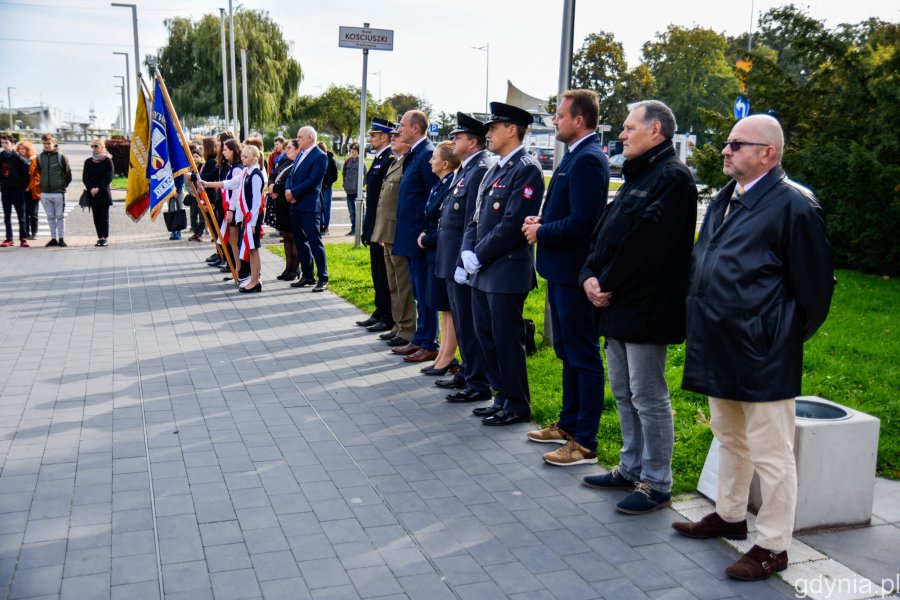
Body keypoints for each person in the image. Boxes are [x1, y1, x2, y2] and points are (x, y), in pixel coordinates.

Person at [672, 114, 834, 581]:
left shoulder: (794, 206)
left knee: (772, 452)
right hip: (719, 342)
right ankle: (729, 514)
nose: (726, 150)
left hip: (763, 351)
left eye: (737, 144)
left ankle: (773, 545)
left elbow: (816, 290)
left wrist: (779, 336)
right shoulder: (727, 197)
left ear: (769, 153)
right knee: (729, 437)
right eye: (727, 143)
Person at [577, 100, 697, 514]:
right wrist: (588, 275)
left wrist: (602, 282)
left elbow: (647, 245)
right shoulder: (639, 174)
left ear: (656, 131)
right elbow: (605, 234)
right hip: (616, 303)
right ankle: (630, 468)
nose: (622, 134)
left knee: (649, 396)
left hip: (647, 308)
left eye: (629, 128)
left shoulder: (673, 179)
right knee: (625, 392)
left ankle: (657, 482)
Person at [522, 90, 609, 465]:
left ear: (579, 120)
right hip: (561, 271)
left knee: (582, 356)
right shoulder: (576, 155)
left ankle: (585, 442)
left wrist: (543, 233)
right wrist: (544, 222)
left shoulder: (589, 158)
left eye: (559, 116)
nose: (554, 121)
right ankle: (569, 424)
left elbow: (585, 222)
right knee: (567, 353)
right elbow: (568, 213)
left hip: (575, 274)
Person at [458, 101, 545, 426]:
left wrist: (477, 254)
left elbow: (512, 223)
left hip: (506, 269)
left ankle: (517, 404)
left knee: (507, 340)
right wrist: (468, 250)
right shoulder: (494, 169)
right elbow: (477, 217)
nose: (488, 134)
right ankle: (501, 397)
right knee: (486, 335)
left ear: (512, 129)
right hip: (484, 270)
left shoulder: (527, 168)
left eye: (493, 128)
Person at [438, 113, 495, 401]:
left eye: (458, 137)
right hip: (451, 258)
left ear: (473, 143)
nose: (453, 140)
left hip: (462, 260)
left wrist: (463, 260)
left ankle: (477, 382)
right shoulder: (466, 169)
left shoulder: (479, 169)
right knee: (461, 321)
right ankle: (467, 372)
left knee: (469, 324)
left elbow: (472, 223)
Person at [391, 110, 440, 361]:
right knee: (419, 291)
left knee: (425, 291)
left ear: (416, 128)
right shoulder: (416, 153)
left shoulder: (427, 154)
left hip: (419, 236)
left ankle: (429, 342)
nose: (399, 130)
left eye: (403, 126)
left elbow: (434, 198)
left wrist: (426, 231)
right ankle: (420, 338)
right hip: (409, 234)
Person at [417, 141, 460, 372]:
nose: (430, 161)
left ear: (445, 163)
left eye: (434, 157)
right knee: (442, 307)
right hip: (435, 251)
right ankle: (443, 353)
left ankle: (448, 356)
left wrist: (427, 238)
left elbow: (446, 223)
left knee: (447, 307)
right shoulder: (439, 184)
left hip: (441, 250)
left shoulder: (450, 184)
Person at [370, 129, 415, 348]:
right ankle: (399, 325)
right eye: (393, 136)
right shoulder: (396, 162)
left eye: (397, 136)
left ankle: (406, 328)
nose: (394, 139)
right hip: (386, 231)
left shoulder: (407, 161)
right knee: (393, 282)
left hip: (397, 231)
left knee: (401, 281)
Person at [356, 118, 396, 333]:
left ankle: (388, 315)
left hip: (381, 225)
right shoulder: (379, 157)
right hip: (373, 223)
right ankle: (380, 310)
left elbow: (385, 200)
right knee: (376, 271)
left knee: (383, 272)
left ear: (384, 137)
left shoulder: (389, 158)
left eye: (373, 135)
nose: (370, 139)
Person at [286, 126, 329, 292]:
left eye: (300, 137)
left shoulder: (320, 156)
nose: (298, 140)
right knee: (300, 241)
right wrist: (288, 191)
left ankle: (323, 277)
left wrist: (294, 192)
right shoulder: (301, 154)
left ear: (310, 138)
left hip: (309, 205)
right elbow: (292, 176)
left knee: (314, 241)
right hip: (295, 205)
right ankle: (308, 275)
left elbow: (313, 180)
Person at [233, 144, 266, 293]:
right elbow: (232, 183)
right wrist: (208, 184)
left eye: (245, 156)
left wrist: (252, 223)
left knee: (253, 248)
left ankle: (255, 280)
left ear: (254, 158)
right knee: (251, 248)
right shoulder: (247, 171)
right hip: (250, 217)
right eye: (242, 156)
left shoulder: (256, 175)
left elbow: (257, 201)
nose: (242, 158)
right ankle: (254, 279)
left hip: (254, 217)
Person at [270, 139, 299, 280]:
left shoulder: (297, 164)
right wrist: (271, 186)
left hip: (289, 203)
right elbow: (273, 175)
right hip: (279, 203)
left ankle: (295, 269)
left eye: (289, 148)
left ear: (297, 150)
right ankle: (287, 268)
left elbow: (291, 183)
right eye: (286, 148)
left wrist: (274, 188)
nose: (286, 150)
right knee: (285, 236)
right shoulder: (284, 161)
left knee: (293, 236)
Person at [36, 133, 72, 247]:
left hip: (58, 193)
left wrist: (62, 186)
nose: (46, 145)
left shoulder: (61, 157)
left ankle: (61, 238)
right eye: (44, 143)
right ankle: (53, 238)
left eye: (49, 143)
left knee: (60, 216)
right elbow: (39, 171)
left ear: (54, 143)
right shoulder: (39, 157)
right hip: (45, 193)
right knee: (50, 217)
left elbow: (68, 175)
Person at [0, 133, 31, 247]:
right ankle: (9, 238)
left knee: (21, 216)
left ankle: (23, 238)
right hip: (6, 190)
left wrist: (24, 186)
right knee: (6, 216)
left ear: (12, 144)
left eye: (6, 143)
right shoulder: (1, 156)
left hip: (18, 190)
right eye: (2, 143)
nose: (4, 145)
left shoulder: (18, 158)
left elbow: (26, 173)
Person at [82, 139, 114, 247]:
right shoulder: (88, 161)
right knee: (96, 217)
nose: (94, 148)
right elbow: (85, 177)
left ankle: (105, 237)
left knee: (104, 217)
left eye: (96, 146)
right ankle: (99, 237)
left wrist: (98, 188)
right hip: (93, 193)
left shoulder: (107, 160)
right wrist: (91, 188)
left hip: (103, 192)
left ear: (102, 147)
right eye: (93, 146)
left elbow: (109, 177)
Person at [191, 138, 217, 242]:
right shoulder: (210, 161)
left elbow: (208, 177)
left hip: (210, 196)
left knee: (211, 222)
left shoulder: (212, 162)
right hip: (206, 195)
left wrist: (193, 177)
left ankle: (221, 252)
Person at [16, 140, 40, 240]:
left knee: (33, 213)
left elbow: (37, 176)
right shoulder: (16, 159)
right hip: (20, 190)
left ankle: (34, 232)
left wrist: (29, 186)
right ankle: (25, 233)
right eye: (20, 148)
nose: (22, 150)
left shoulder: (34, 160)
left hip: (32, 190)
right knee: (23, 213)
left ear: (28, 149)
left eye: (24, 149)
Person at [342, 143, 365, 236]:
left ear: (358, 151)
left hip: (358, 191)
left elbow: (367, 174)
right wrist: (345, 184)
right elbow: (344, 173)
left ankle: (362, 230)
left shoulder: (361, 161)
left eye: (354, 149)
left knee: (360, 212)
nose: (352, 151)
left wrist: (361, 185)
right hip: (349, 191)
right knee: (351, 212)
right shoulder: (348, 161)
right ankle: (353, 229)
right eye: (351, 149)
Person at [318, 141, 338, 234]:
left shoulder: (330, 159)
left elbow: (335, 176)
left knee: (326, 207)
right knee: (319, 207)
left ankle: (326, 227)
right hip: (319, 186)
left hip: (326, 187)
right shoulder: (318, 159)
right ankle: (320, 225)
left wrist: (327, 183)